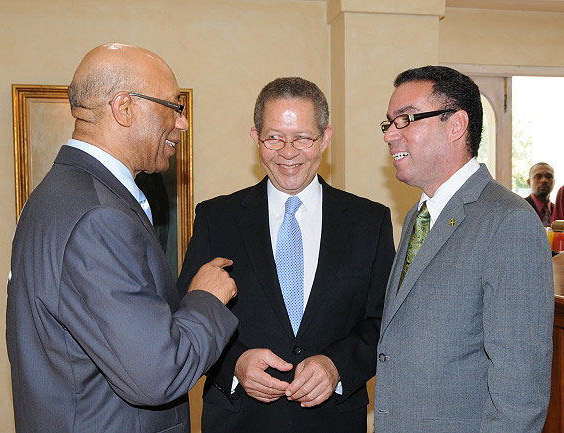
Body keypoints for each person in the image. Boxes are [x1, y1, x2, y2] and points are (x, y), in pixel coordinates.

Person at [6, 43, 238, 433]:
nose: (181, 123)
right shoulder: (98, 217)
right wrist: (206, 299)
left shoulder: (58, 194)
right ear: (124, 107)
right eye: (172, 106)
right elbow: (158, 375)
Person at [176, 77, 395, 433]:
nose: (288, 152)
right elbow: (190, 311)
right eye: (274, 137)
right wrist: (234, 364)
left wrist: (338, 366)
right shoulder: (216, 218)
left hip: (333, 419)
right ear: (255, 138)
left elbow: (384, 320)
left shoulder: (368, 221)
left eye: (303, 138)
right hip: (239, 419)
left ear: (325, 138)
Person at [374, 66, 554, 433]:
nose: (391, 134)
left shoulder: (508, 221)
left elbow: (520, 385)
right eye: (389, 123)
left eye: (405, 119)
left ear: (456, 125)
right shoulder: (418, 215)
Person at [524, 162, 555, 226]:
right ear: (529, 182)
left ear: (554, 182)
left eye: (549, 177)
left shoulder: (558, 210)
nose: (544, 180)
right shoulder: (520, 207)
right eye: (538, 176)